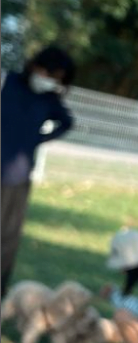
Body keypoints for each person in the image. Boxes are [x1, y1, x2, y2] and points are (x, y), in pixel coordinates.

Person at [1, 46, 75, 297]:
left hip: (17, 179)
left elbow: (67, 122)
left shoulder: (49, 100)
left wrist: (38, 138)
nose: (51, 81)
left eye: (57, 80)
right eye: (50, 74)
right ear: (36, 66)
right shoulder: (9, 83)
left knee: (7, 238)